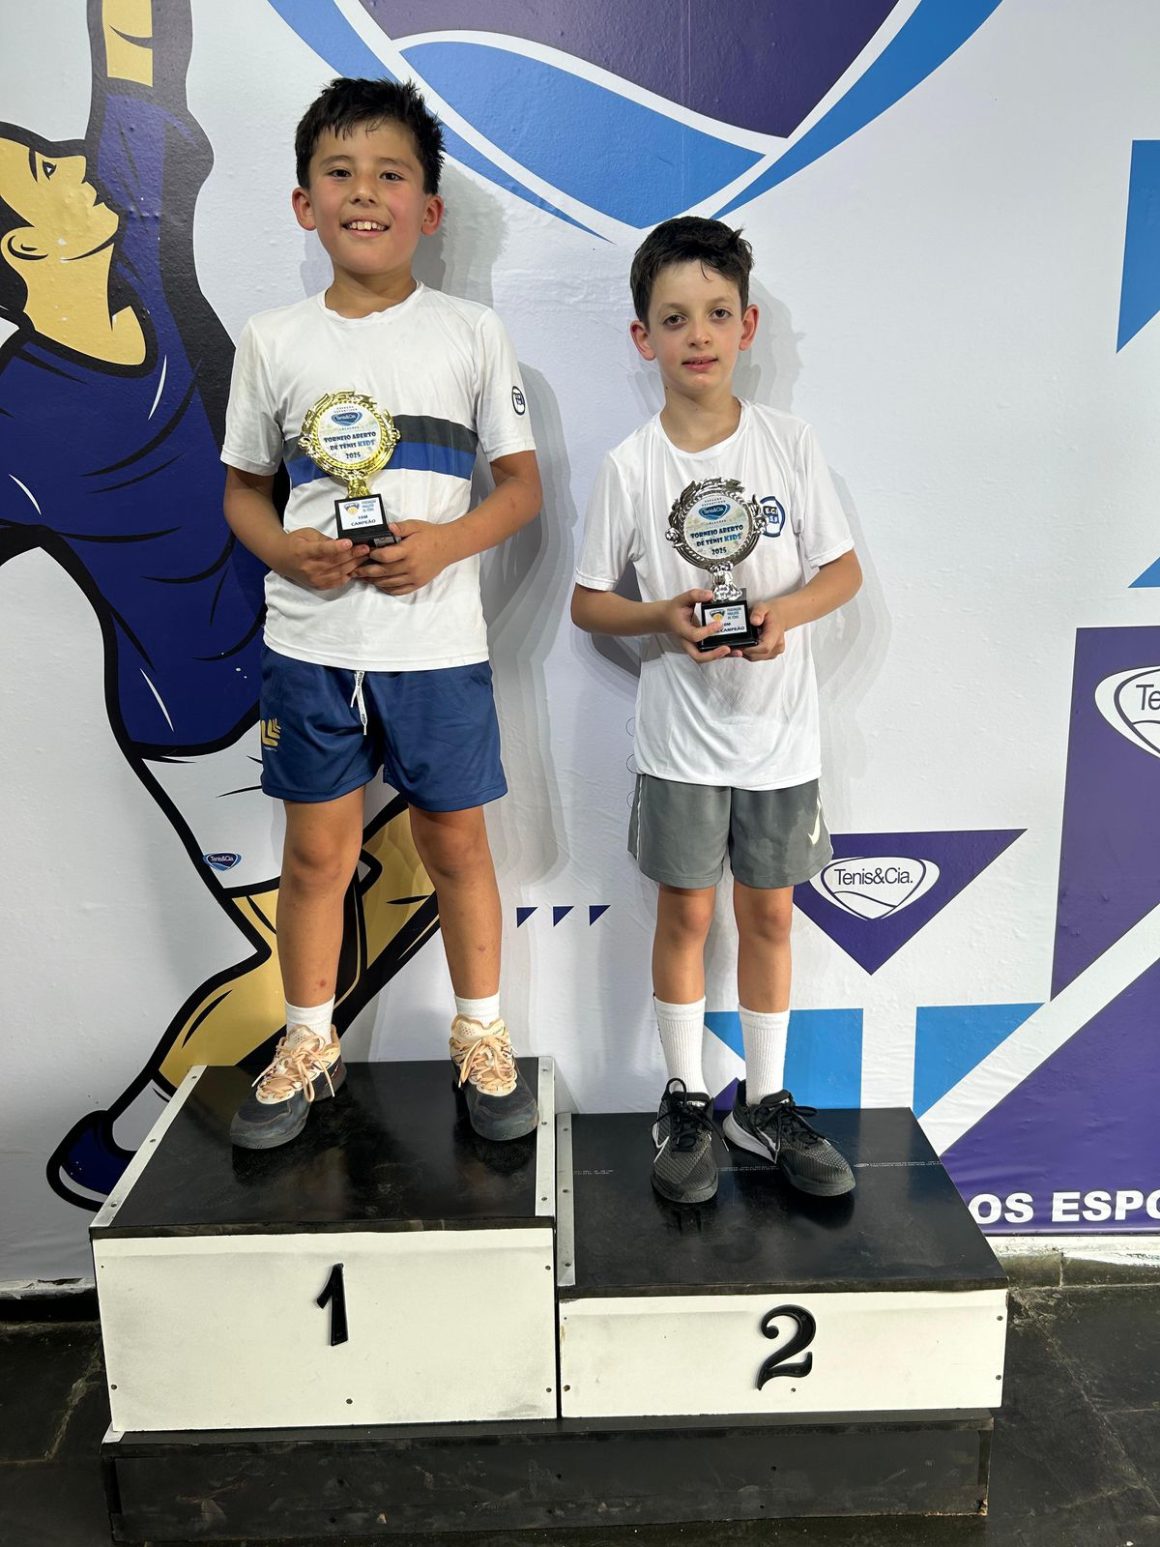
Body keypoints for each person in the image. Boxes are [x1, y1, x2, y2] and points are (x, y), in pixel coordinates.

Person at [222, 76, 542, 1149]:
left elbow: (520, 488)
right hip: (309, 643)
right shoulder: (272, 339)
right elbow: (242, 492)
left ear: (429, 208)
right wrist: (286, 549)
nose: (365, 192)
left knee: (456, 844)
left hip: (435, 644)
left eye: (391, 174)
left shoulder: (471, 332)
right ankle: (308, 1038)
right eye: (340, 172)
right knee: (317, 857)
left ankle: (481, 1032)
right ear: (304, 202)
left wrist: (443, 544)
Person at [572, 217, 862, 1205]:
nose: (696, 334)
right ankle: (687, 1096)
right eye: (673, 317)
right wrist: (661, 615)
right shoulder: (630, 465)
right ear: (641, 335)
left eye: (715, 313)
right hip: (681, 742)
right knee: (687, 912)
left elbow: (841, 571)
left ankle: (763, 1101)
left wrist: (781, 616)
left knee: (769, 912)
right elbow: (587, 602)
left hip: (780, 737)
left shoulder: (789, 443)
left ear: (746, 324)